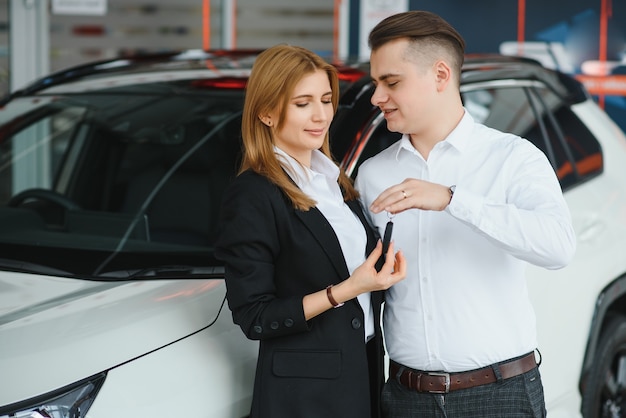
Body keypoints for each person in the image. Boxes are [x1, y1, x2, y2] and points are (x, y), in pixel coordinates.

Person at [353, 10, 577, 418]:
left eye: (391, 82)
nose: (376, 97)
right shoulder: (371, 175)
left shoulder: (513, 157)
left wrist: (453, 199)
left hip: (501, 396)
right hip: (405, 397)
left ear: (440, 76)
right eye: (375, 84)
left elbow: (558, 247)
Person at [214, 44, 407, 418]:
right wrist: (348, 289)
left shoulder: (335, 182)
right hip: (304, 397)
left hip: (361, 373)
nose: (321, 115)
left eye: (325, 100)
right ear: (267, 113)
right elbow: (256, 317)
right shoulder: (254, 193)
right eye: (302, 104)